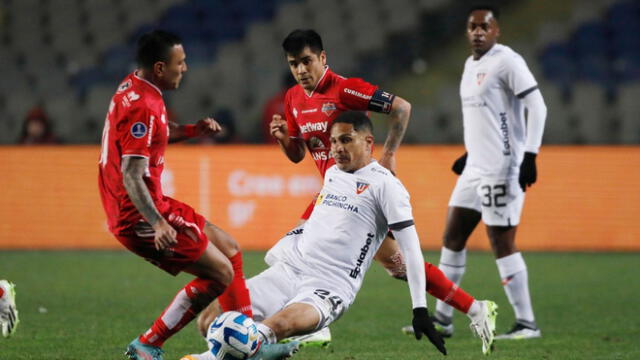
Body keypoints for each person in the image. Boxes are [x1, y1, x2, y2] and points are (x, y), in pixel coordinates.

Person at [183, 112, 498, 360]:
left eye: (346, 140)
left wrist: (419, 309)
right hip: (289, 271)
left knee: (269, 329)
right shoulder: (333, 174)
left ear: (368, 142)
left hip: (327, 288)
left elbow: (412, 251)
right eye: (333, 142)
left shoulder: (386, 186)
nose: (336, 148)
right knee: (210, 320)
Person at [97, 30, 252, 360]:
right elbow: (131, 174)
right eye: (179, 63)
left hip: (153, 203)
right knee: (220, 273)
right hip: (140, 215)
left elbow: (158, 132)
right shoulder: (143, 106)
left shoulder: (135, 88)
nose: (185, 68)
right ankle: (148, 343)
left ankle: (250, 339)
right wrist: (158, 224)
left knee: (231, 249)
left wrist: (194, 130)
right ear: (158, 68)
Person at [425, 5, 547, 340]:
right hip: (476, 167)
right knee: (452, 237)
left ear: (497, 31)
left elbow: (537, 106)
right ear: (467, 32)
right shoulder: (470, 64)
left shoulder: (508, 61)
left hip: (502, 167)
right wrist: (469, 153)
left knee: (501, 242)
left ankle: (527, 323)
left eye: (485, 26)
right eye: (472, 27)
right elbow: (488, 117)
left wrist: (530, 155)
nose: (478, 32)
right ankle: (443, 319)